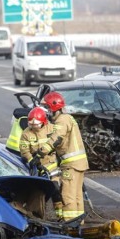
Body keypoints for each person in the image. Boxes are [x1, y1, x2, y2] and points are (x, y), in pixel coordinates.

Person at [41, 92, 89, 222]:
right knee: (77, 196)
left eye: (47, 108)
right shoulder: (68, 118)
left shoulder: (62, 120)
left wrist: (42, 151)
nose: (47, 112)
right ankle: (79, 222)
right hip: (79, 163)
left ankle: (70, 225)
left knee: (67, 196)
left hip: (71, 165)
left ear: (54, 108)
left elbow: (57, 137)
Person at [19, 107, 63, 219]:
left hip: (52, 166)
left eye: (36, 125)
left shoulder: (51, 129)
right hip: (37, 169)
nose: (34, 127)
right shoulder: (26, 133)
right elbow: (24, 151)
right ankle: (36, 216)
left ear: (43, 122)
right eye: (31, 124)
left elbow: (60, 140)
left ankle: (60, 216)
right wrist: (32, 162)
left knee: (56, 191)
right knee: (39, 194)